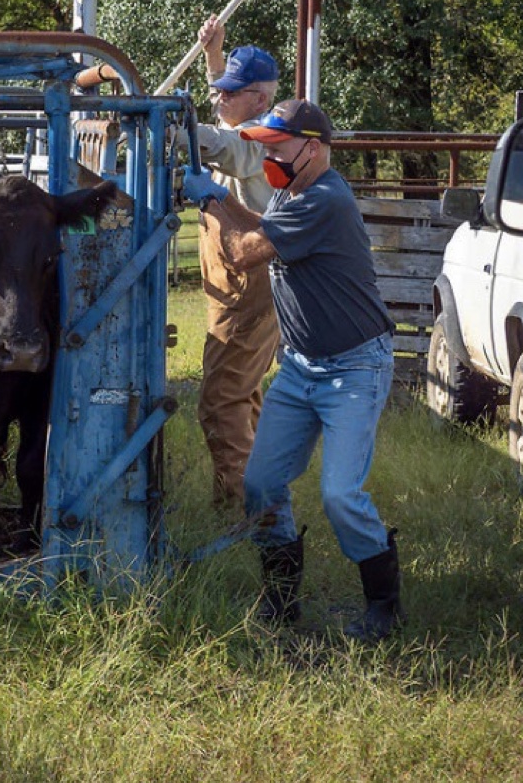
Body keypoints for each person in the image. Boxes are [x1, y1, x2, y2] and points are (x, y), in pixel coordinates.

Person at [182, 98, 403, 642]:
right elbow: (262, 224)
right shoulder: (293, 189)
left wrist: (210, 204)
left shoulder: (324, 198)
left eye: (276, 147)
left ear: (313, 147)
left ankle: (384, 605)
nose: (267, 156)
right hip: (302, 367)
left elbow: (243, 252)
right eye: (263, 146)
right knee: (260, 483)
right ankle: (281, 601)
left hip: (354, 366)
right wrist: (223, 200)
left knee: (340, 495)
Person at [182, 15, 282, 511]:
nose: (219, 97)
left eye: (230, 91)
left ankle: (246, 517)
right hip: (249, 277)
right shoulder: (258, 120)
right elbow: (226, 124)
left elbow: (222, 142)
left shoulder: (263, 137)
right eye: (218, 89)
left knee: (222, 400)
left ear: (259, 99)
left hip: (250, 278)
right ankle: (260, 500)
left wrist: (169, 121)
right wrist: (213, 57)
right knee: (244, 397)